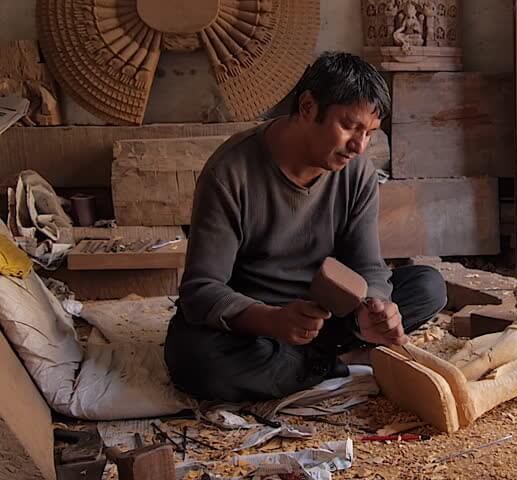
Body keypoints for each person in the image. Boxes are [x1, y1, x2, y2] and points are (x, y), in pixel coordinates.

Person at [163, 52, 447, 403]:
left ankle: (306, 364)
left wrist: (374, 306)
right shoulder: (230, 173)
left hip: (325, 316)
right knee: (195, 360)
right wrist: (272, 321)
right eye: (348, 126)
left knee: (427, 286)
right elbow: (201, 289)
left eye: (369, 133)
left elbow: (368, 266)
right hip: (255, 324)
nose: (358, 147)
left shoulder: (356, 173)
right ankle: (334, 364)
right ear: (308, 106)